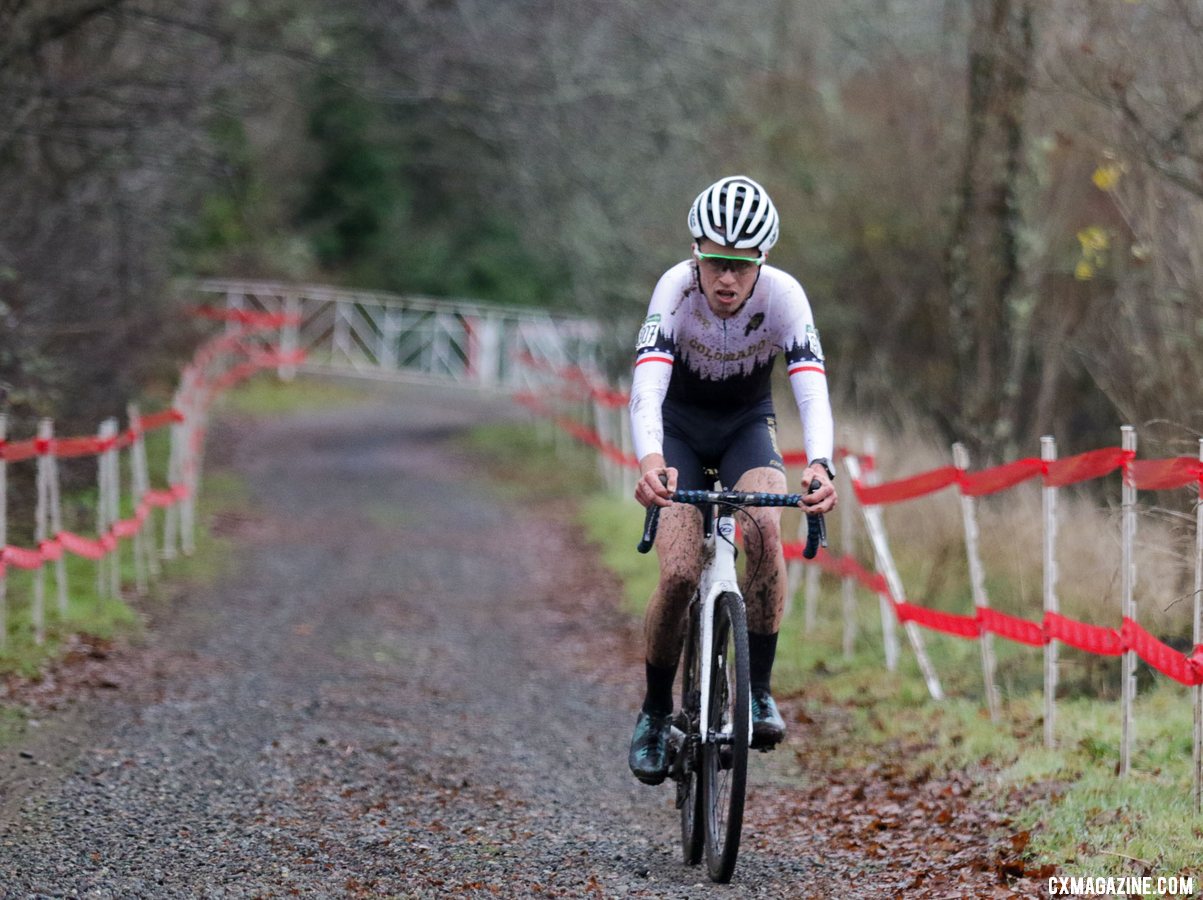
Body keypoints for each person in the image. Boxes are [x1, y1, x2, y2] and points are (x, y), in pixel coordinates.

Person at [627, 175, 838, 785]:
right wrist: (649, 464)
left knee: (767, 530)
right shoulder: (673, 290)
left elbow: (812, 389)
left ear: (761, 262)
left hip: (747, 425)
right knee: (677, 573)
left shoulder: (785, 298)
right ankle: (653, 709)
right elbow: (646, 388)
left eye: (740, 266)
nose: (726, 279)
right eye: (715, 262)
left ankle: (759, 691)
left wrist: (820, 463)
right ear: (697, 253)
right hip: (677, 431)